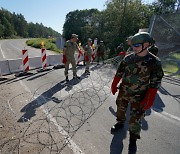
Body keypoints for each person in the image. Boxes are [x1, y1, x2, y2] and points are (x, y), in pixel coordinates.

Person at [111, 32, 164, 152]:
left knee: (135, 120)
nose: (134, 48)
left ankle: (133, 140)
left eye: (137, 45)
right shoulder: (129, 58)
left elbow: (155, 83)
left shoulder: (154, 62)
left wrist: (149, 98)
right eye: (133, 45)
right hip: (123, 92)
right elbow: (119, 72)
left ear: (147, 44)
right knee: (120, 109)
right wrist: (114, 84)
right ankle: (119, 123)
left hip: (139, 96)